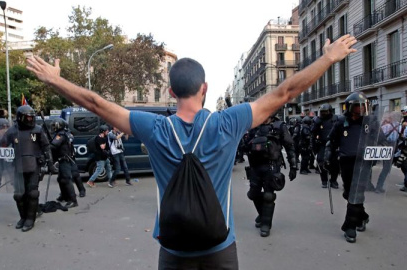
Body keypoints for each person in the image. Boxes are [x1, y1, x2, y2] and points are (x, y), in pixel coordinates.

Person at [27, 34, 356, 268]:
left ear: (171, 91)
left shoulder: (153, 127)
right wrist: (328, 57)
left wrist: (55, 80)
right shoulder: (228, 122)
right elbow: (286, 91)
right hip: (220, 247)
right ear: (205, 88)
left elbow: (95, 103)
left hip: (173, 249)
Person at [324, 92, 379, 243]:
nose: (361, 109)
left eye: (363, 106)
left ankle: (350, 227)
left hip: (364, 162)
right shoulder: (341, 122)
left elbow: (380, 139)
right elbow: (331, 142)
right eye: (357, 106)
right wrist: (327, 158)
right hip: (346, 163)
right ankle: (363, 216)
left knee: (356, 193)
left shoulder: (371, 122)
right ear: (349, 107)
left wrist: (384, 151)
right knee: (349, 193)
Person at [2, 105, 56, 232]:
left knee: (32, 193)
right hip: (17, 166)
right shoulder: (12, 131)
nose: (30, 120)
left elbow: (46, 146)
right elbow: (2, 146)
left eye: (32, 117)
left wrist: (50, 163)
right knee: (19, 195)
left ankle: (30, 218)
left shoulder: (37, 130)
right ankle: (23, 217)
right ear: (21, 117)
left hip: (34, 165)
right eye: (28, 117)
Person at [245, 115, 297, 237]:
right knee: (253, 193)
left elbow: (289, 146)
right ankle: (264, 214)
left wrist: (293, 166)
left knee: (269, 195)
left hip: (271, 166)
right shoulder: (254, 125)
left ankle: (266, 224)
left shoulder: (279, 126)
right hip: (255, 166)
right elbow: (245, 144)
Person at [50, 118, 78, 208]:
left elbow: (54, 145)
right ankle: (64, 196)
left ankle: (73, 200)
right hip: (64, 159)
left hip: (65, 159)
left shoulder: (61, 135)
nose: (53, 128)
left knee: (66, 179)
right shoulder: (66, 133)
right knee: (61, 179)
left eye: (55, 126)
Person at [311, 104, 340, 189]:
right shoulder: (318, 120)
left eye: (325, 112)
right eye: (322, 112)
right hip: (322, 145)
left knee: (335, 164)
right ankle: (324, 180)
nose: (323, 113)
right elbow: (313, 133)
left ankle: (333, 180)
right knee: (321, 163)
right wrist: (313, 146)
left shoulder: (336, 119)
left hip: (333, 145)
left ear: (330, 111)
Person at [374, 112, 401, 193]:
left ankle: (379, 186)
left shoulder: (385, 126)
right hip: (392, 148)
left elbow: (379, 136)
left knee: (386, 167)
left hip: (385, 147)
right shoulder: (399, 126)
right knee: (386, 168)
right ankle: (379, 187)